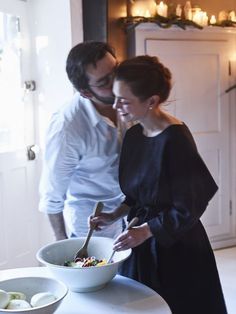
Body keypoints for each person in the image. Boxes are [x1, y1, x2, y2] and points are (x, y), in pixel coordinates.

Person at [90, 55, 228, 314]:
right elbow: (136, 196)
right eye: (115, 96)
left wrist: (145, 231)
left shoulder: (176, 140)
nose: (116, 105)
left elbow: (189, 206)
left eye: (124, 100)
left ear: (152, 101)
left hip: (176, 247)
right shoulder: (133, 134)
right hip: (139, 241)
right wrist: (112, 216)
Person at [39, 41, 128, 240]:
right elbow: (52, 196)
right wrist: (62, 247)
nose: (116, 83)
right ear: (86, 92)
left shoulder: (129, 101)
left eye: (116, 70)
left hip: (127, 213)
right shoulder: (67, 128)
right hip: (90, 226)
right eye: (105, 82)